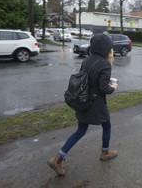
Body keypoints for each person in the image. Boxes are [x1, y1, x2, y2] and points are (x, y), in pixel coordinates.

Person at [48, 33, 118, 176]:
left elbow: (87, 79)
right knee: (107, 125)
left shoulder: (87, 60)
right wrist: (114, 87)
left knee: (80, 131)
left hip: (83, 101)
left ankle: (58, 159)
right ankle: (105, 152)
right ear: (106, 48)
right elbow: (103, 88)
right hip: (96, 104)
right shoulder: (105, 63)